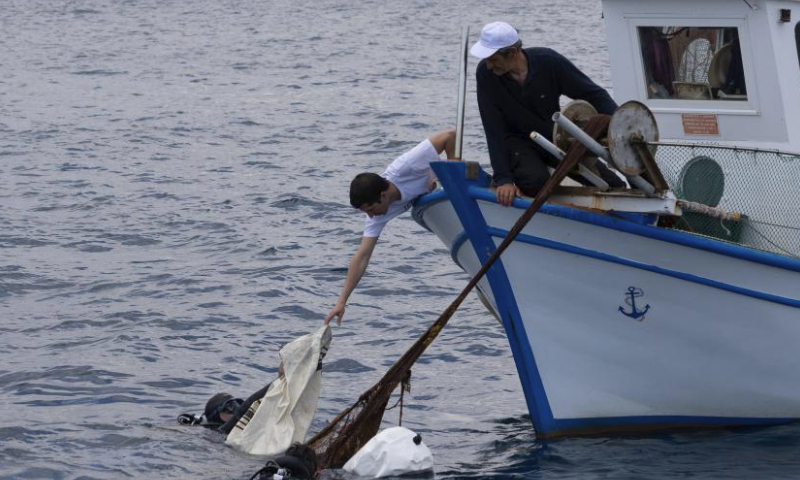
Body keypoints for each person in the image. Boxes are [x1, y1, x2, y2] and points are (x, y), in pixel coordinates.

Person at [470, 21, 626, 206]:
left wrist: (621, 126)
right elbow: (492, 127)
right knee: (536, 182)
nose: (488, 65)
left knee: (614, 185)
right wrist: (503, 179)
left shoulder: (549, 62)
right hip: (517, 142)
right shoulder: (485, 75)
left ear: (512, 53)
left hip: (554, 138)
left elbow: (593, 94)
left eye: (493, 59)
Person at [324, 129, 457, 325]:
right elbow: (362, 256)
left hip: (459, 187)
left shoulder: (405, 167)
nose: (370, 216)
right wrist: (341, 302)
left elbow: (450, 135)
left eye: (371, 209)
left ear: (383, 196)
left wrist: (449, 173)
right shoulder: (377, 215)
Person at [177, 363, 284, 434]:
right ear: (218, 415)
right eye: (230, 406)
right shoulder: (223, 430)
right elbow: (250, 402)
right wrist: (281, 379)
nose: (237, 407)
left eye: (238, 402)